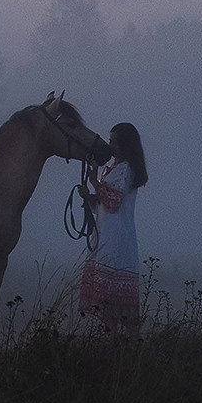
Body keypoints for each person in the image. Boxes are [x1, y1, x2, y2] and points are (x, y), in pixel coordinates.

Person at [78, 122, 148, 334]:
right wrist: (89, 197)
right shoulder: (116, 169)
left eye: (114, 142)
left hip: (116, 238)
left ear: (125, 145)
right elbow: (104, 205)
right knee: (108, 304)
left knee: (117, 302)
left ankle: (126, 343)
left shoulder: (125, 168)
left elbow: (114, 202)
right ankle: (115, 342)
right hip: (107, 235)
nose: (110, 146)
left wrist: (94, 183)